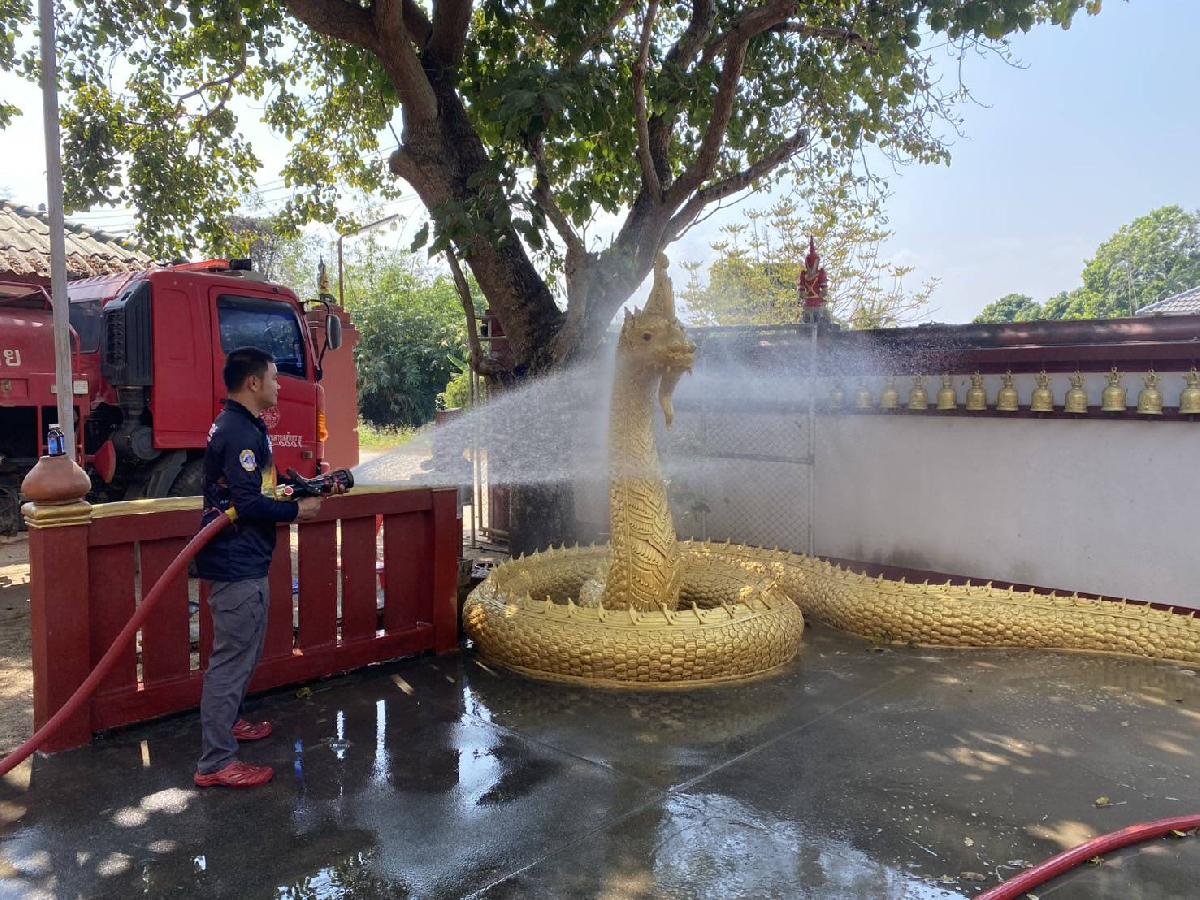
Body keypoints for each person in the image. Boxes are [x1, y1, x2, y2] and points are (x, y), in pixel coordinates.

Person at [192, 346, 324, 789]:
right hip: (235, 562)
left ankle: (229, 723)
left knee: (244, 652)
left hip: (244, 558)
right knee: (231, 661)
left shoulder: (242, 425)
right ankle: (215, 763)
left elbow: (257, 487)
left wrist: (297, 488)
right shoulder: (240, 432)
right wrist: (297, 512)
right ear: (253, 383)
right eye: (274, 377)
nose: (279, 385)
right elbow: (247, 504)